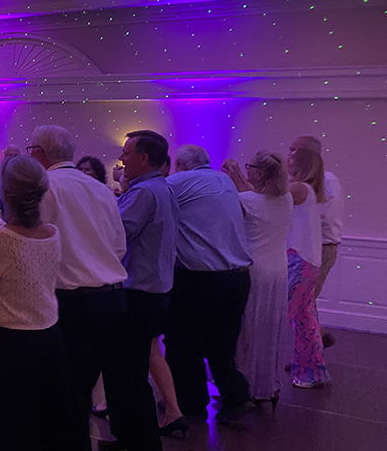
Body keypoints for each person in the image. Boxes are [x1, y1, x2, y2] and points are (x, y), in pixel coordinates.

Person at [28, 125, 160, 451]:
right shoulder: (101, 189)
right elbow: (118, 246)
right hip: (113, 299)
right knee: (120, 386)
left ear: (39, 154)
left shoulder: (44, 187)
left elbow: (36, 248)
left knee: (68, 394)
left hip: (71, 304)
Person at [0, 155, 77, 451]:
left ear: (6, 193)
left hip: (14, 348)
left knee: (10, 430)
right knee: (47, 427)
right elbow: (19, 244)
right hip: (52, 340)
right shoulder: (53, 234)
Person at [164, 145, 254, 424]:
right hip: (237, 277)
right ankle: (236, 398)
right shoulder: (224, 180)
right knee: (222, 345)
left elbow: (150, 206)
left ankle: (190, 403)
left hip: (199, 278)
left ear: (180, 165)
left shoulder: (177, 181)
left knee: (183, 343)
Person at [116, 131, 184, 437]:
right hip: (158, 288)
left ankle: (137, 438)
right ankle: (170, 415)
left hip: (139, 292)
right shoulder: (163, 187)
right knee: (147, 355)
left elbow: (116, 235)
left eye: (127, 153)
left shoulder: (143, 193)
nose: (122, 159)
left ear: (143, 158)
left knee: (129, 374)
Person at [222, 151, 293, 406]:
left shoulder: (249, 200)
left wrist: (233, 175)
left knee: (246, 330)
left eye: (249, 166)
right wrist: (237, 175)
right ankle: (267, 384)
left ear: (260, 173)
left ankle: (244, 385)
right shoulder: (286, 199)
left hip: (254, 270)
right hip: (278, 270)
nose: (247, 169)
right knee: (268, 329)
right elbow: (253, 196)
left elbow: (245, 200)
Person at [290, 135, 343, 348]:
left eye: (294, 150)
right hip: (311, 249)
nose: (289, 155)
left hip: (320, 249)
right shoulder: (307, 183)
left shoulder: (326, 181)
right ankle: (316, 342)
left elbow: (321, 214)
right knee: (305, 303)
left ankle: (312, 350)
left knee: (304, 303)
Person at [286, 147, 331, 388]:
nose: (286, 160)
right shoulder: (308, 189)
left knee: (292, 318)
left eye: (291, 157)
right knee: (305, 318)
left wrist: (237, 178)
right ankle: (312, 371)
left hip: (299, 260)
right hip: (307, 260)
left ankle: (306, 372)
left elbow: (264, 202)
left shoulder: (299, 188)